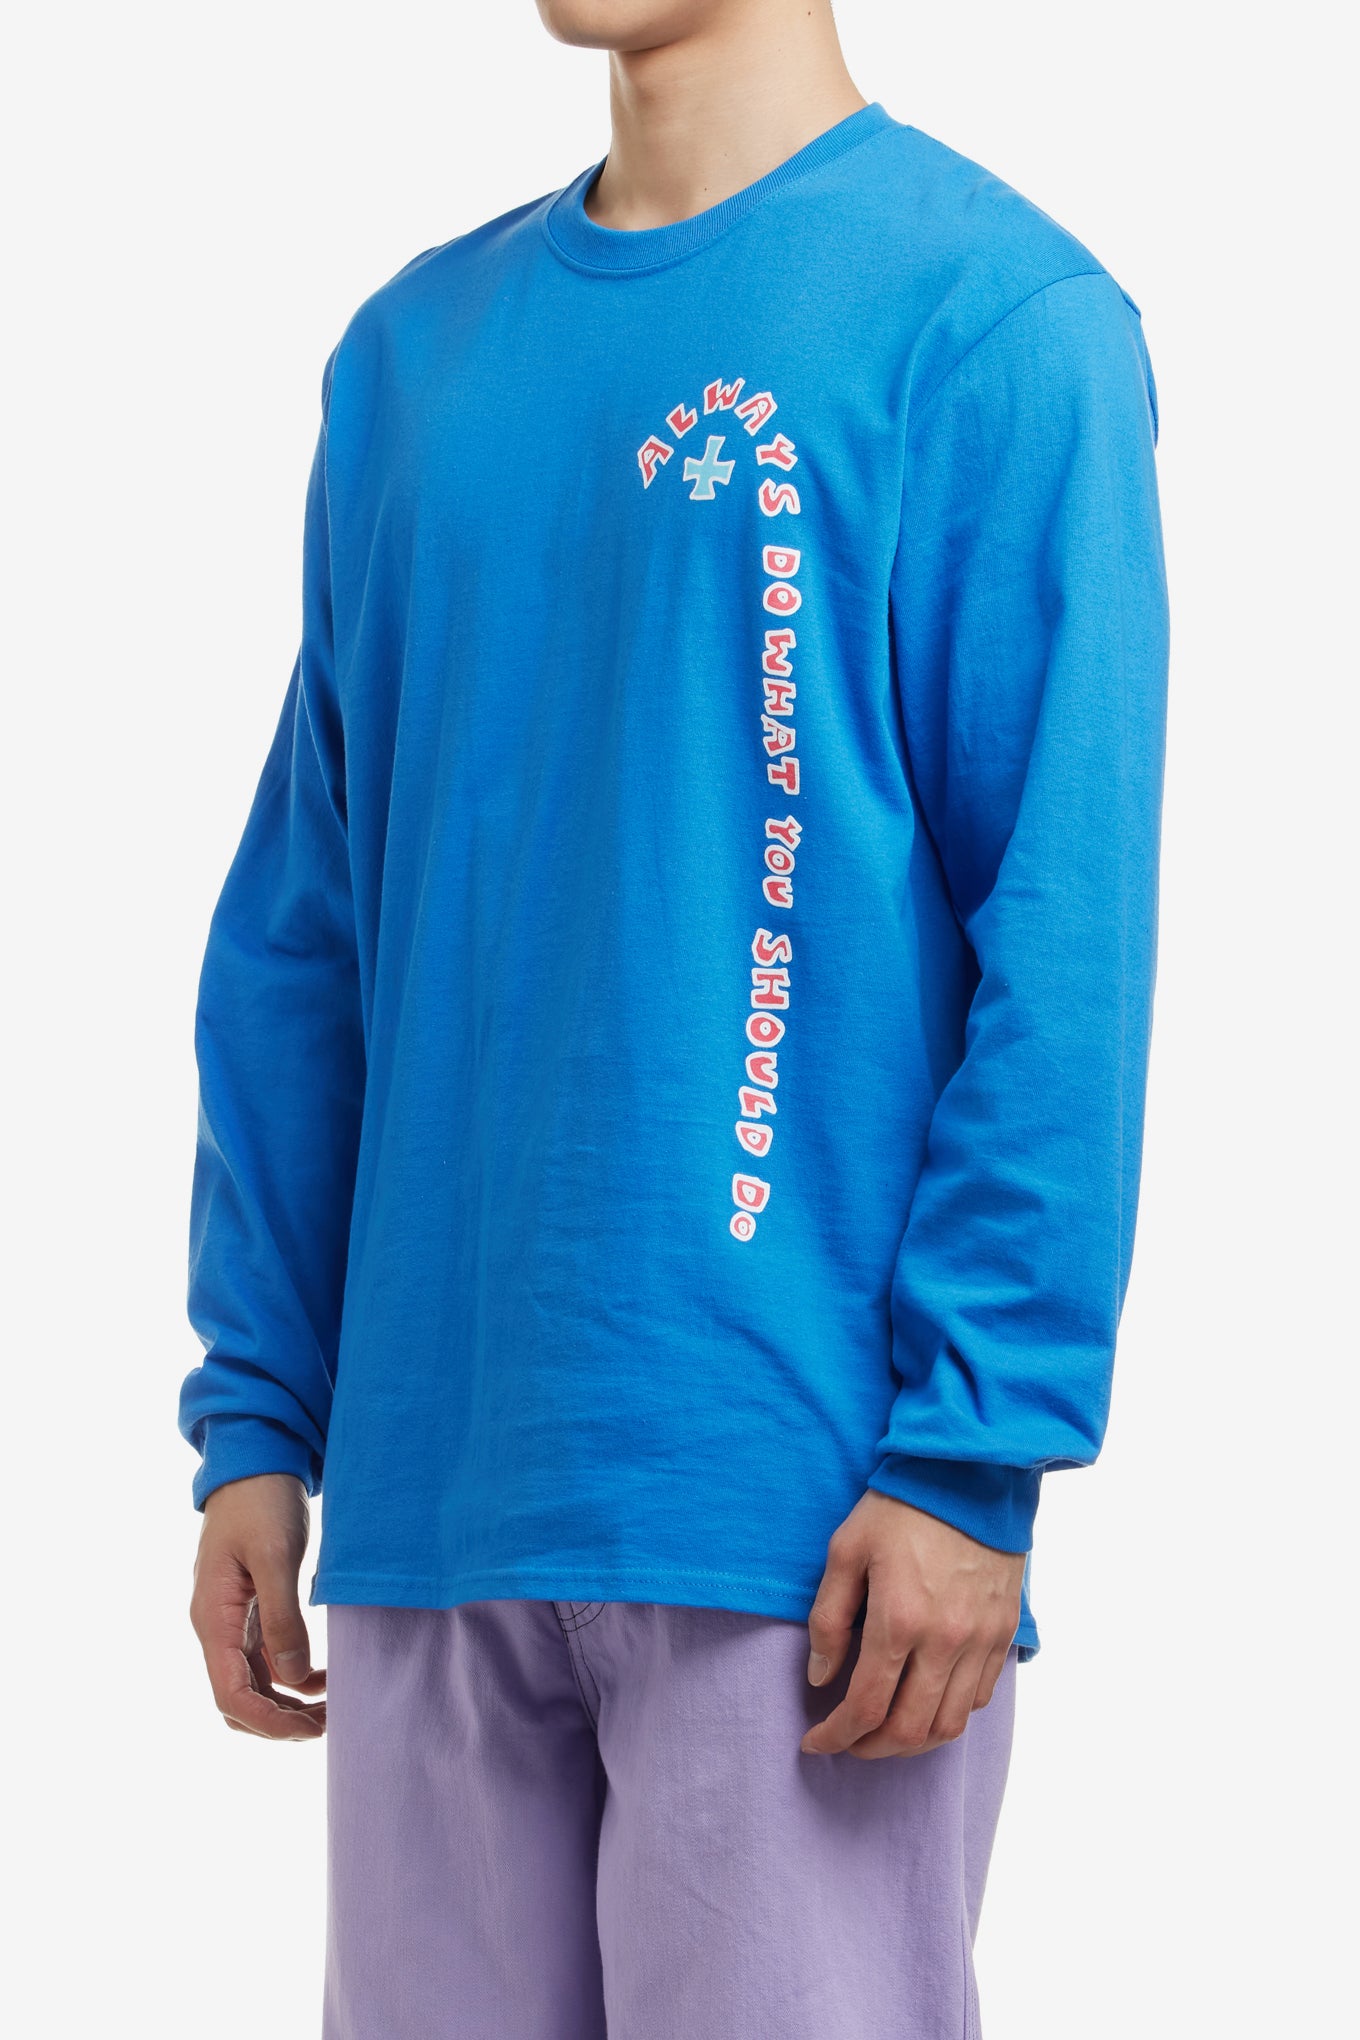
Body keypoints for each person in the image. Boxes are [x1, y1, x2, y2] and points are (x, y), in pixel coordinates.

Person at [180, 1, 1168, 2031]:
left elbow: (1063, 932)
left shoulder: (992, 322)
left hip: (801, 1522)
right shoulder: (409, 361)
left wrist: (973, 1452)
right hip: (432, 1490)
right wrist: (257, 1412)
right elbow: (306, 925)